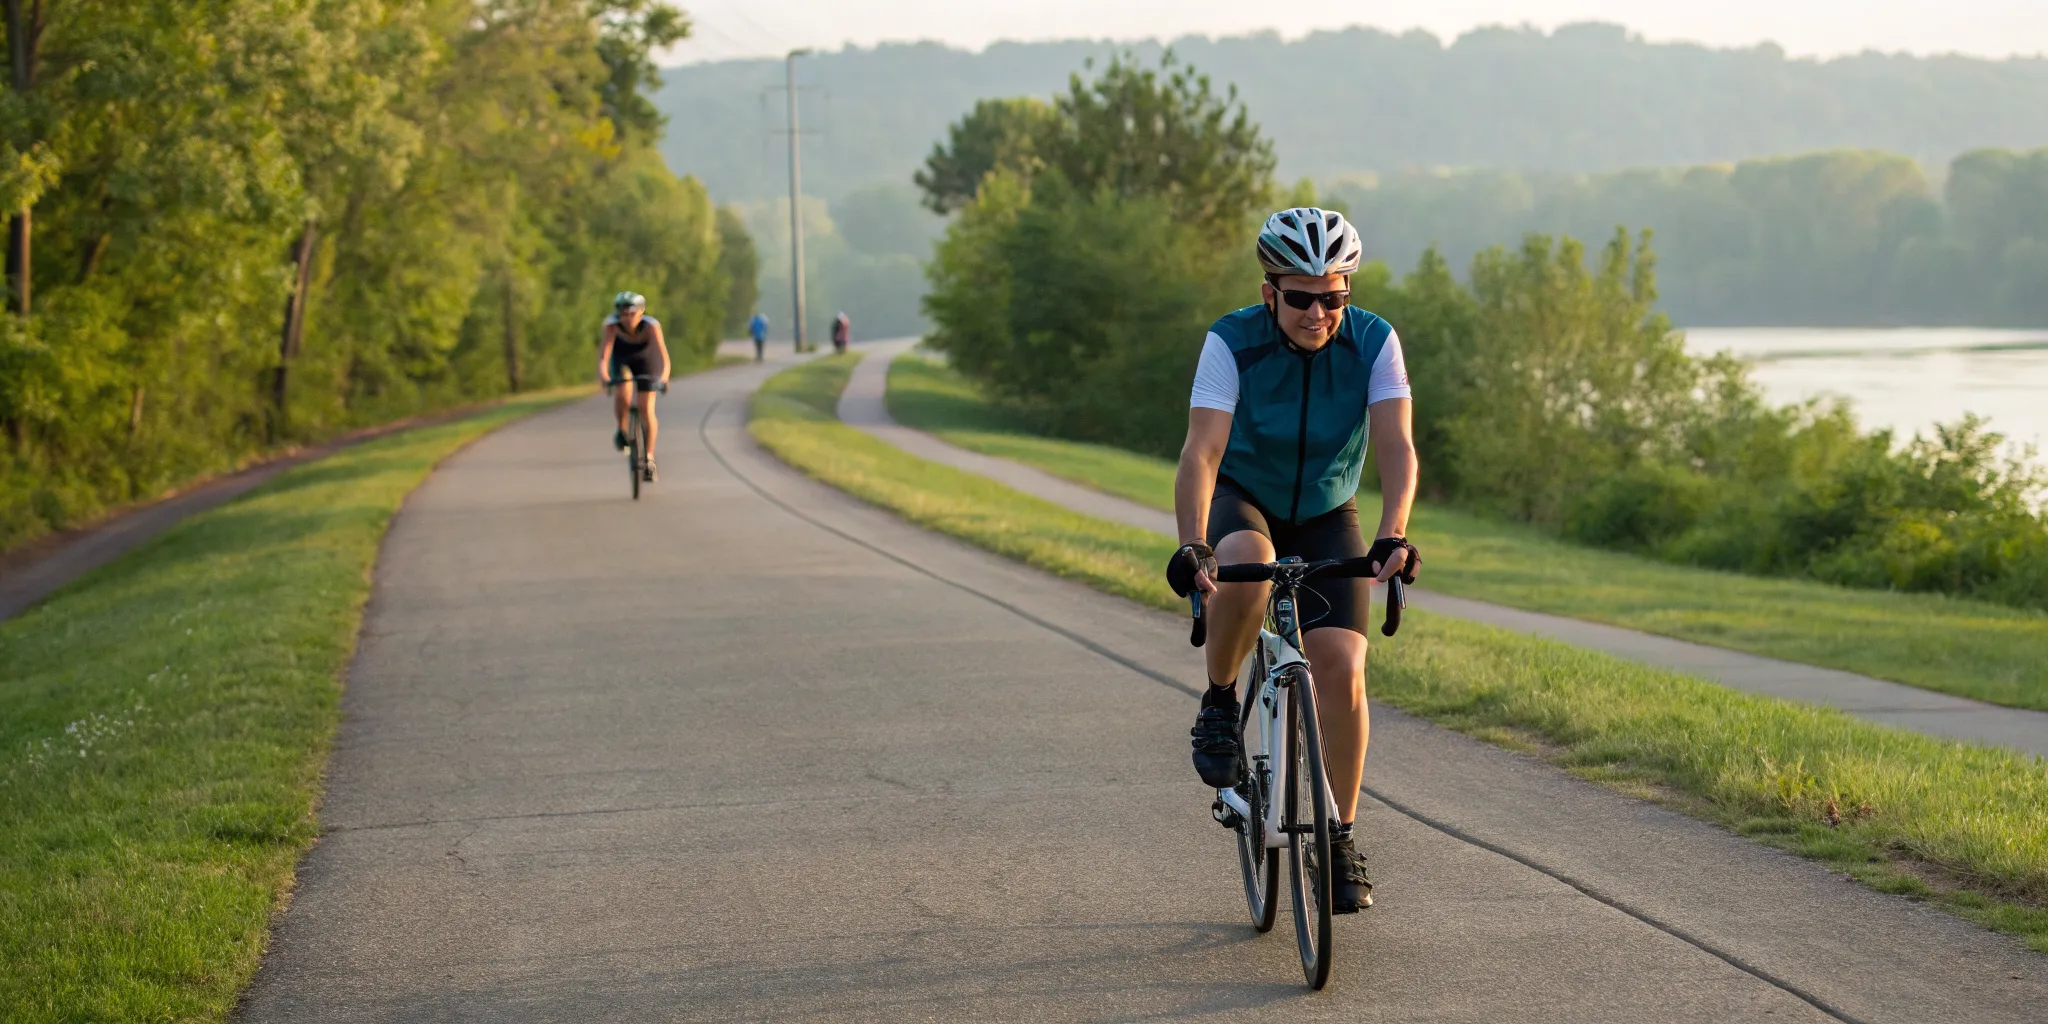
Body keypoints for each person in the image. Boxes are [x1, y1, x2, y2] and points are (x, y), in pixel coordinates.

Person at [1165, 207, 1420, 915]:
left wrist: (1393, 533)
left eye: (1333, 296)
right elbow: (1203, 452)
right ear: (1270, 289)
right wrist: (1194, 542)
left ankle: (1337, 834)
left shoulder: (1374, 342)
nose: (1318, 312)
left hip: (1327, 510)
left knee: (1342, 665)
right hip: (1245, 497)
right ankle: (1220, 702)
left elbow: (1397, 447)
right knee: (1247, 556)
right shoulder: (1232, 340)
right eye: (1301, 296)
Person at [597, 291, 672, 481]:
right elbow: (604, 356)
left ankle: (649, 457)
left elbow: (663, 357)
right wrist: (605, 377)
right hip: (621, 361)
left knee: (646, 409)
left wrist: (663, 378)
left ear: (641, 312)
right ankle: (622, 429)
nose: (627, 318)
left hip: (644, 361)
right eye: (622, 314)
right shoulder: (612, 326)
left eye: (631, 313)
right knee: (622, 391)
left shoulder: (651, 326)